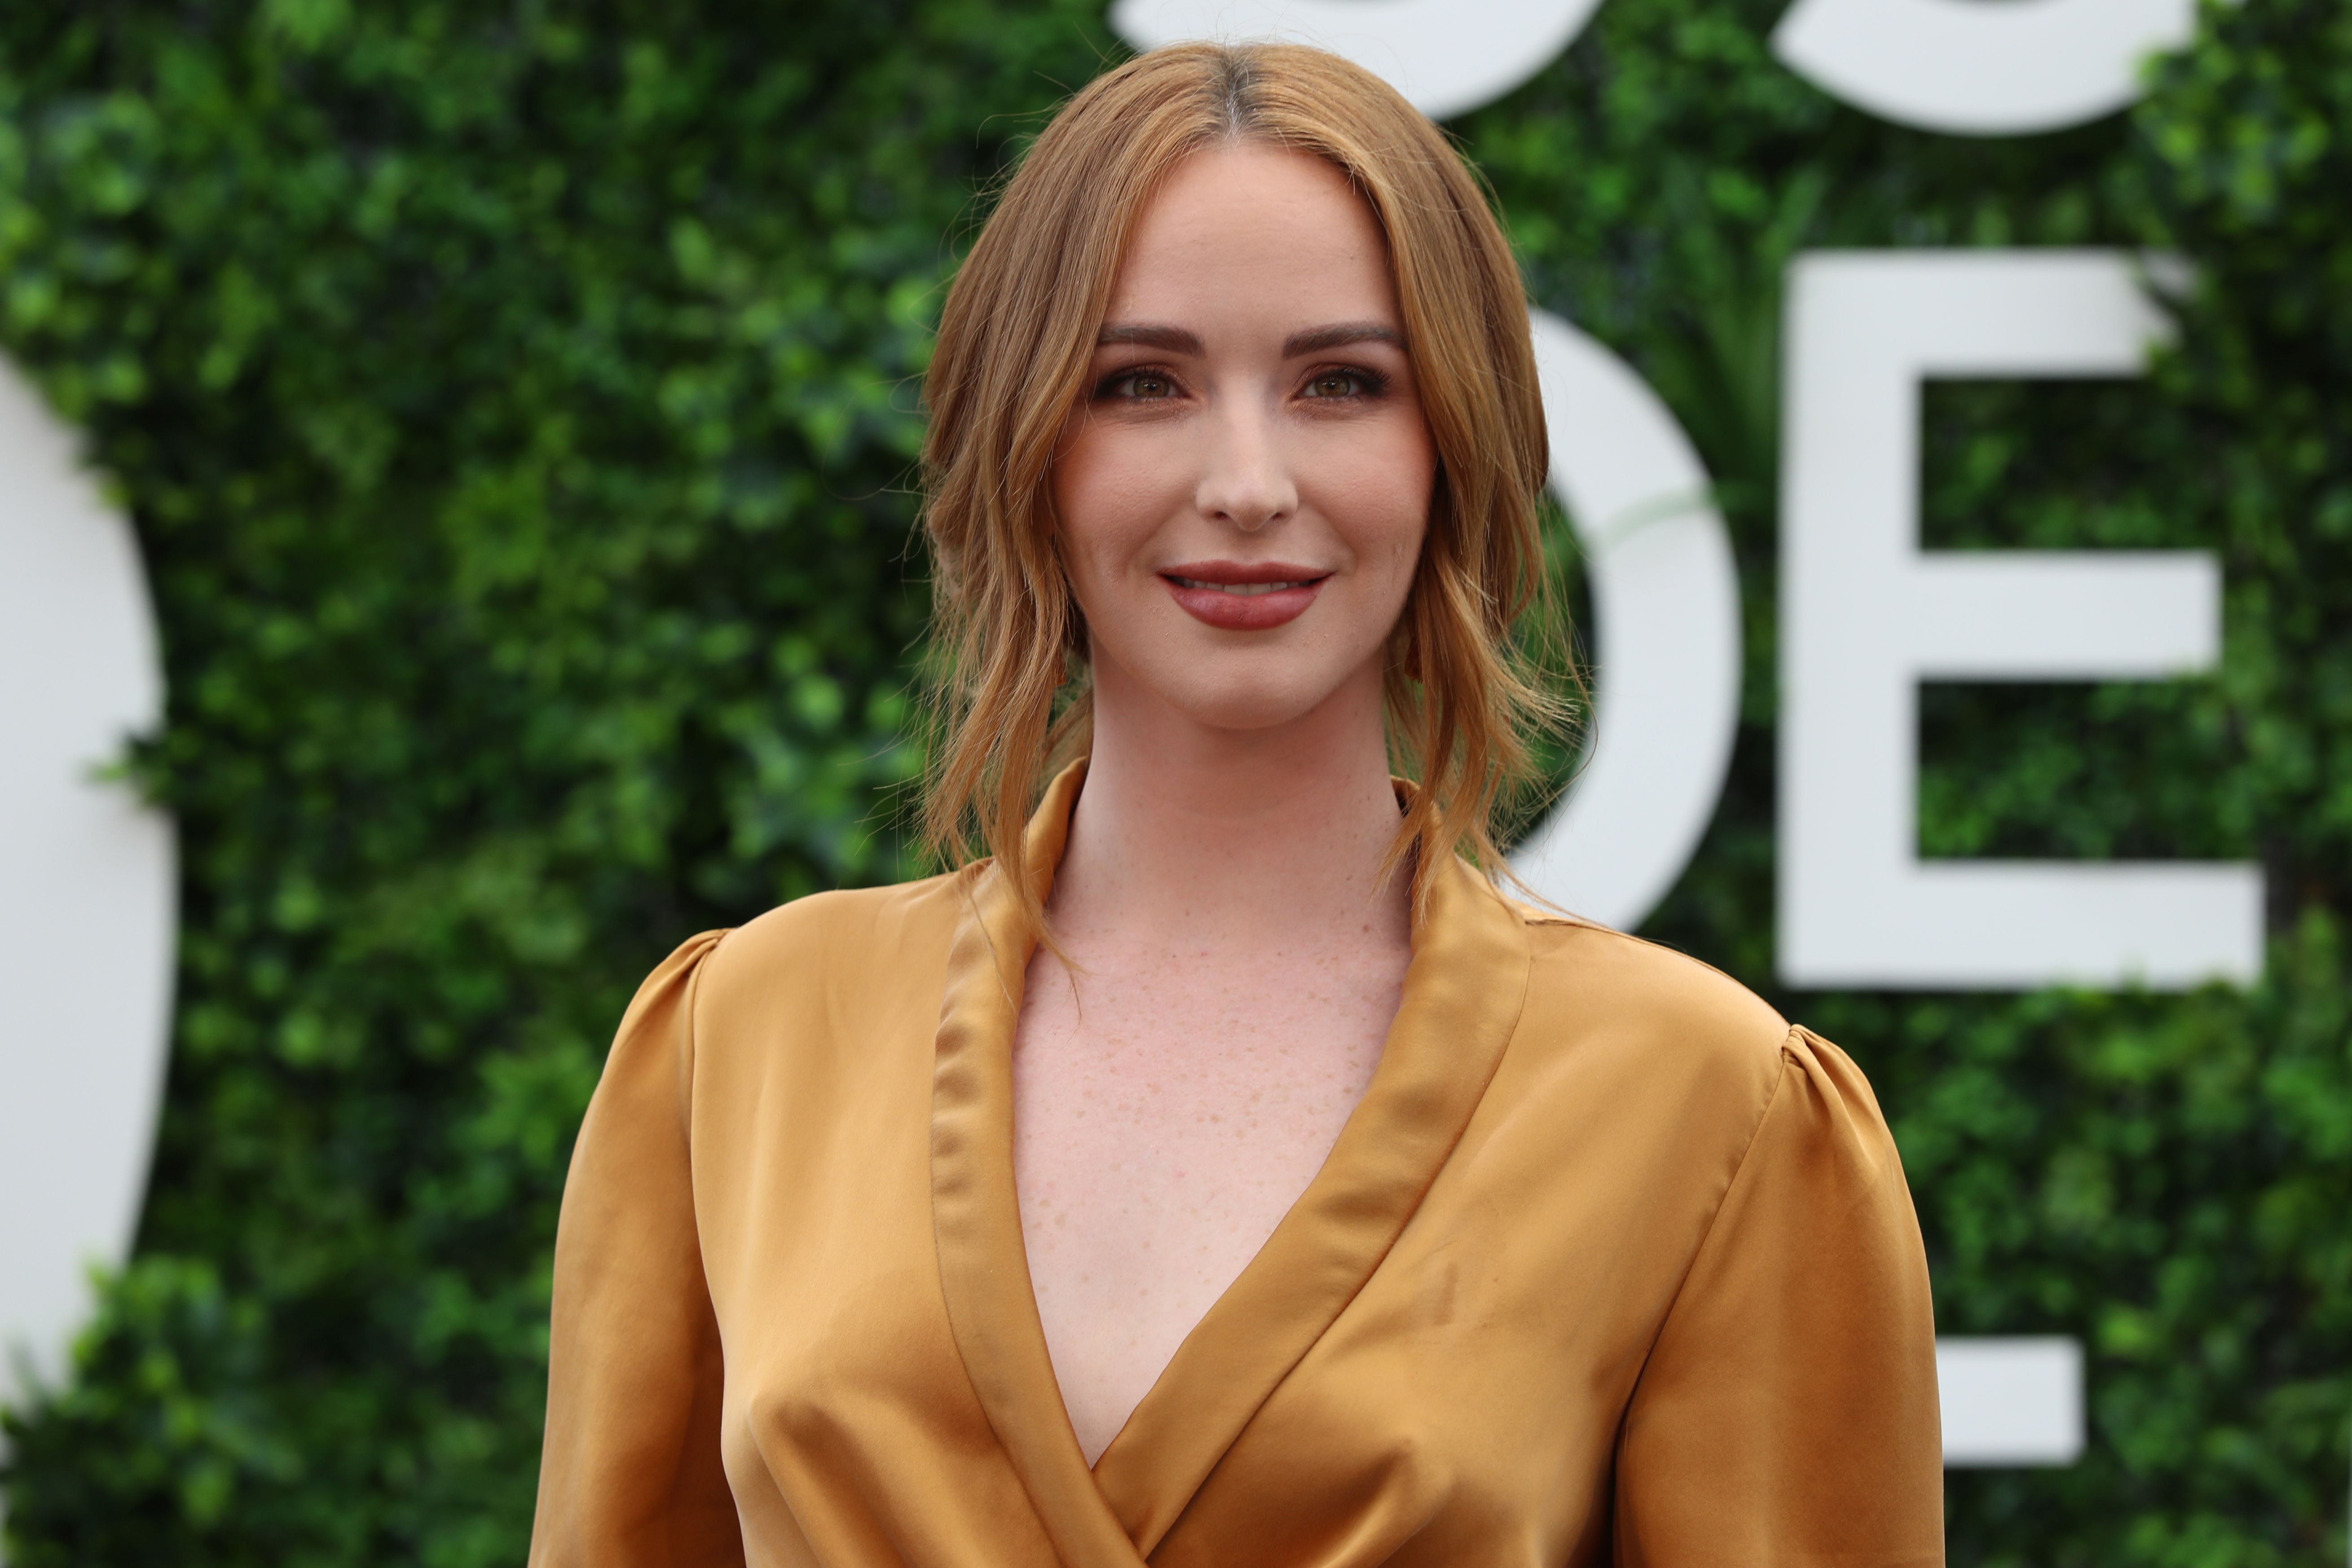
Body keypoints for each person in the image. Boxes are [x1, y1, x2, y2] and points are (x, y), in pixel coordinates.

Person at [528, 40, 1943, 1568]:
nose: (1250, 482)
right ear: (1027, 443)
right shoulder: (739, 1042)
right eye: (1143, 383)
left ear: (1453, 444)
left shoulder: (1712, 1107)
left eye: (1342, 383)